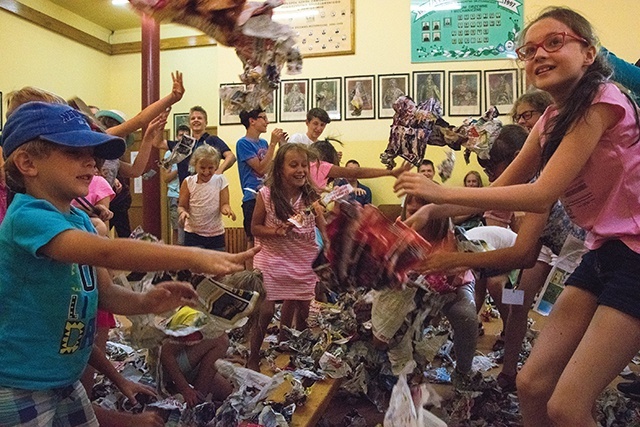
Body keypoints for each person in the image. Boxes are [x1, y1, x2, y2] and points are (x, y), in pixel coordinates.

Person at [395, 7, 640, 425]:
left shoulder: (603, 100)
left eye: (554, 42)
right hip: (601, 252)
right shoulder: (549, 120)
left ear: (588, 52)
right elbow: (495, 194)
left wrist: (438, 191)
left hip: (635, 256)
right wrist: (434, 208)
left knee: (567, 406)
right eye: (528, 51)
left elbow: (541, 193)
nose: (538, 55)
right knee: (531, 385)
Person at [0, 102, 258, 427]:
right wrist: (192, 255)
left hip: (64, 378)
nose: (91, 160)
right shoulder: (27, 217)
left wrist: (145, 302)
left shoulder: (79, 218)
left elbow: (105, 293)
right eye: (73, 152)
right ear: (27, 162)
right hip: (20, 385)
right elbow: (106, 254)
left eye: (92, 152)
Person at [247, 143, 321, 371]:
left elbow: (323, 225)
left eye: (304, 165)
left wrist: (329, 248)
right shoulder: (266, 195)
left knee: (305, 310)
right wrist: (275, 232)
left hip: (303, 259)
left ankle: (300, 354)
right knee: (266, 310)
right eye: (293, 165)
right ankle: (253, 355)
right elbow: (255, 228)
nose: (300, 170)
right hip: (271, 257)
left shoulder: (311, 196)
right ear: (280, 169)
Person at [236, 108, 287, 267]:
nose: (267, 122)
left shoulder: (264, 143)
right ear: (252, 121)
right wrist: (272, 144)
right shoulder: (243, 143)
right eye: (263, 118)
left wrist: (282, 147)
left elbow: (272, 169)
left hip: (268, 196)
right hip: (252, 197)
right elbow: (261, 168)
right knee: (252, 239)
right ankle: (250, 277)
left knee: (267, 239)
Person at [159, 307, 233, 407]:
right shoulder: (191, 315)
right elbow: (165, 353)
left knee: (227, 391)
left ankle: (197, 397)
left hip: (188, 360)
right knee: (221, 340)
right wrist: (185, 388)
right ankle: (197, 401)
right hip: (166, 366)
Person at [157, 105, 236, 184]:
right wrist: (162, 123)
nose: (196, 120)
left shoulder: (213, 140)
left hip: (208, 189)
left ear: (206, 122)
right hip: (186, 191)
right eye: (193, 118)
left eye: (199, 118)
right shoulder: (183, 143)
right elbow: (158, 143)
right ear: (189, 123)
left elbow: (231, 157)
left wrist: (219, 171)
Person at [178, 145, 235, 251]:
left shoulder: (220, 180)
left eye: (210, 168)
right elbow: (182, 206)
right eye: (202, 168)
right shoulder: (189, 182)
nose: (206, 172)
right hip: (193, 234)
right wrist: (183, 213)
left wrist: (227, 210)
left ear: (216, 166)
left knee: (217, 266)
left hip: (216, 234)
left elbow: (224, 204)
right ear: (195, 165)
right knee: (196, 266)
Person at [163, 124, 190, 245]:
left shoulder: (192, 152)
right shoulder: (169, 154)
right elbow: (165, 178)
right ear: (176, 137)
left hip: (191, 195)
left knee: (190, 228)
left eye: (186, 136)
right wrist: (180, 168)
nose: (183, 138)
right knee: (176, 228)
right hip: (174, 195)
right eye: (180, 135)